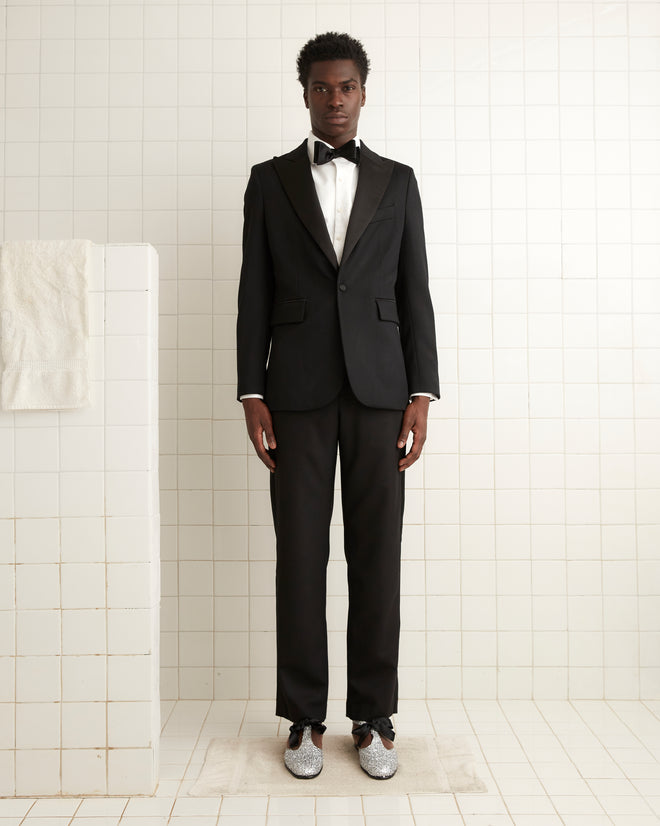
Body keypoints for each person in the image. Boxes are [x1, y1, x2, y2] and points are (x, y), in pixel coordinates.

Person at [236, 32, 439, 780]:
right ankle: (303, 720)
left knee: (377, 556)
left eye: (347, 86)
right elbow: (252, 290)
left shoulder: (398, 180)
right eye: (323, 87)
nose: (336, 99)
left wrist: (423, 391)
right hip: (293, 394)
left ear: (363, 90)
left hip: (384, 393)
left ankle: (374, 717)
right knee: (301, 555)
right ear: (306, 93)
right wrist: (251, 391)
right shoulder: (269, 181)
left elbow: (414, 289)